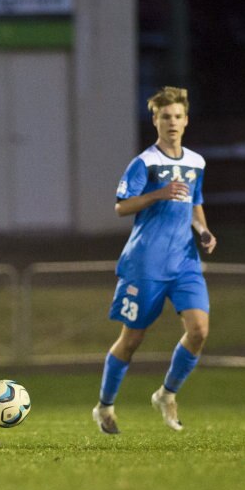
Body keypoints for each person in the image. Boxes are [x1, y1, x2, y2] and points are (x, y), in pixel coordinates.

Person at [93, 86, 216, 435]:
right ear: (156, 121)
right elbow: (121, 206)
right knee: (131, 341)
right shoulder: (144, 163)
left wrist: (203, 230)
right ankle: (104, 405)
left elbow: (194, 202)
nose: (172, 122)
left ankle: (166, 394)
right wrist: (158, 193)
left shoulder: (196, 162)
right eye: (166, 117)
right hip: (145, 264)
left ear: (186, 120)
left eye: (178, 116)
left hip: (185, 263)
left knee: (199, 330)